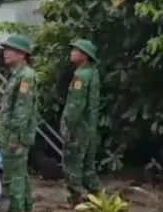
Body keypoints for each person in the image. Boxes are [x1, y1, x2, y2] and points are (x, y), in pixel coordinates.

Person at [0, 34, 39, 212]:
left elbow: (22, 110)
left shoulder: (25, 76)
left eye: (10, 50)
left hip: (16, 137)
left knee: (14, 179)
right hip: (11, 134)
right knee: (20, 176)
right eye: (5, 49)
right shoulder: (17, 75)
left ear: (22, 54)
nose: (5, 53)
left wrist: (15, 137)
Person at [60, 39, 101, 208]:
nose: (71, 53)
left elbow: (74, 106)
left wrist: (66, 126)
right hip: (90, 127)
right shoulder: (93, 73)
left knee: (73, 164)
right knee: (88, 166)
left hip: (78, 128)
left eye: (75, 50)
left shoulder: (80, 76)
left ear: (83, 55)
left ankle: (76, 199)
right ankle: (97, 196)